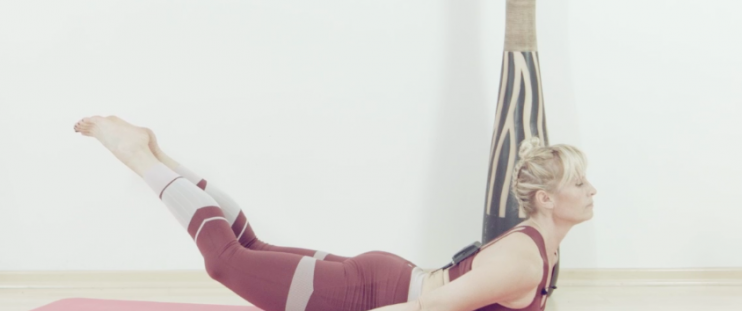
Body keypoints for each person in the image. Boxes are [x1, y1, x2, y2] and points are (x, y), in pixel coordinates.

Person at [74, 115, 596, 311]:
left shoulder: (541, 249)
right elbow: (428, 310)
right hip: (367, 296)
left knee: (250, 248)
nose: (592, 190)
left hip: (382, 279)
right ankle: (138, 156)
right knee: (227, 261)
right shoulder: (525, 260)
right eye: (579, 183)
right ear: (546, 199)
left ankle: (159, 157)